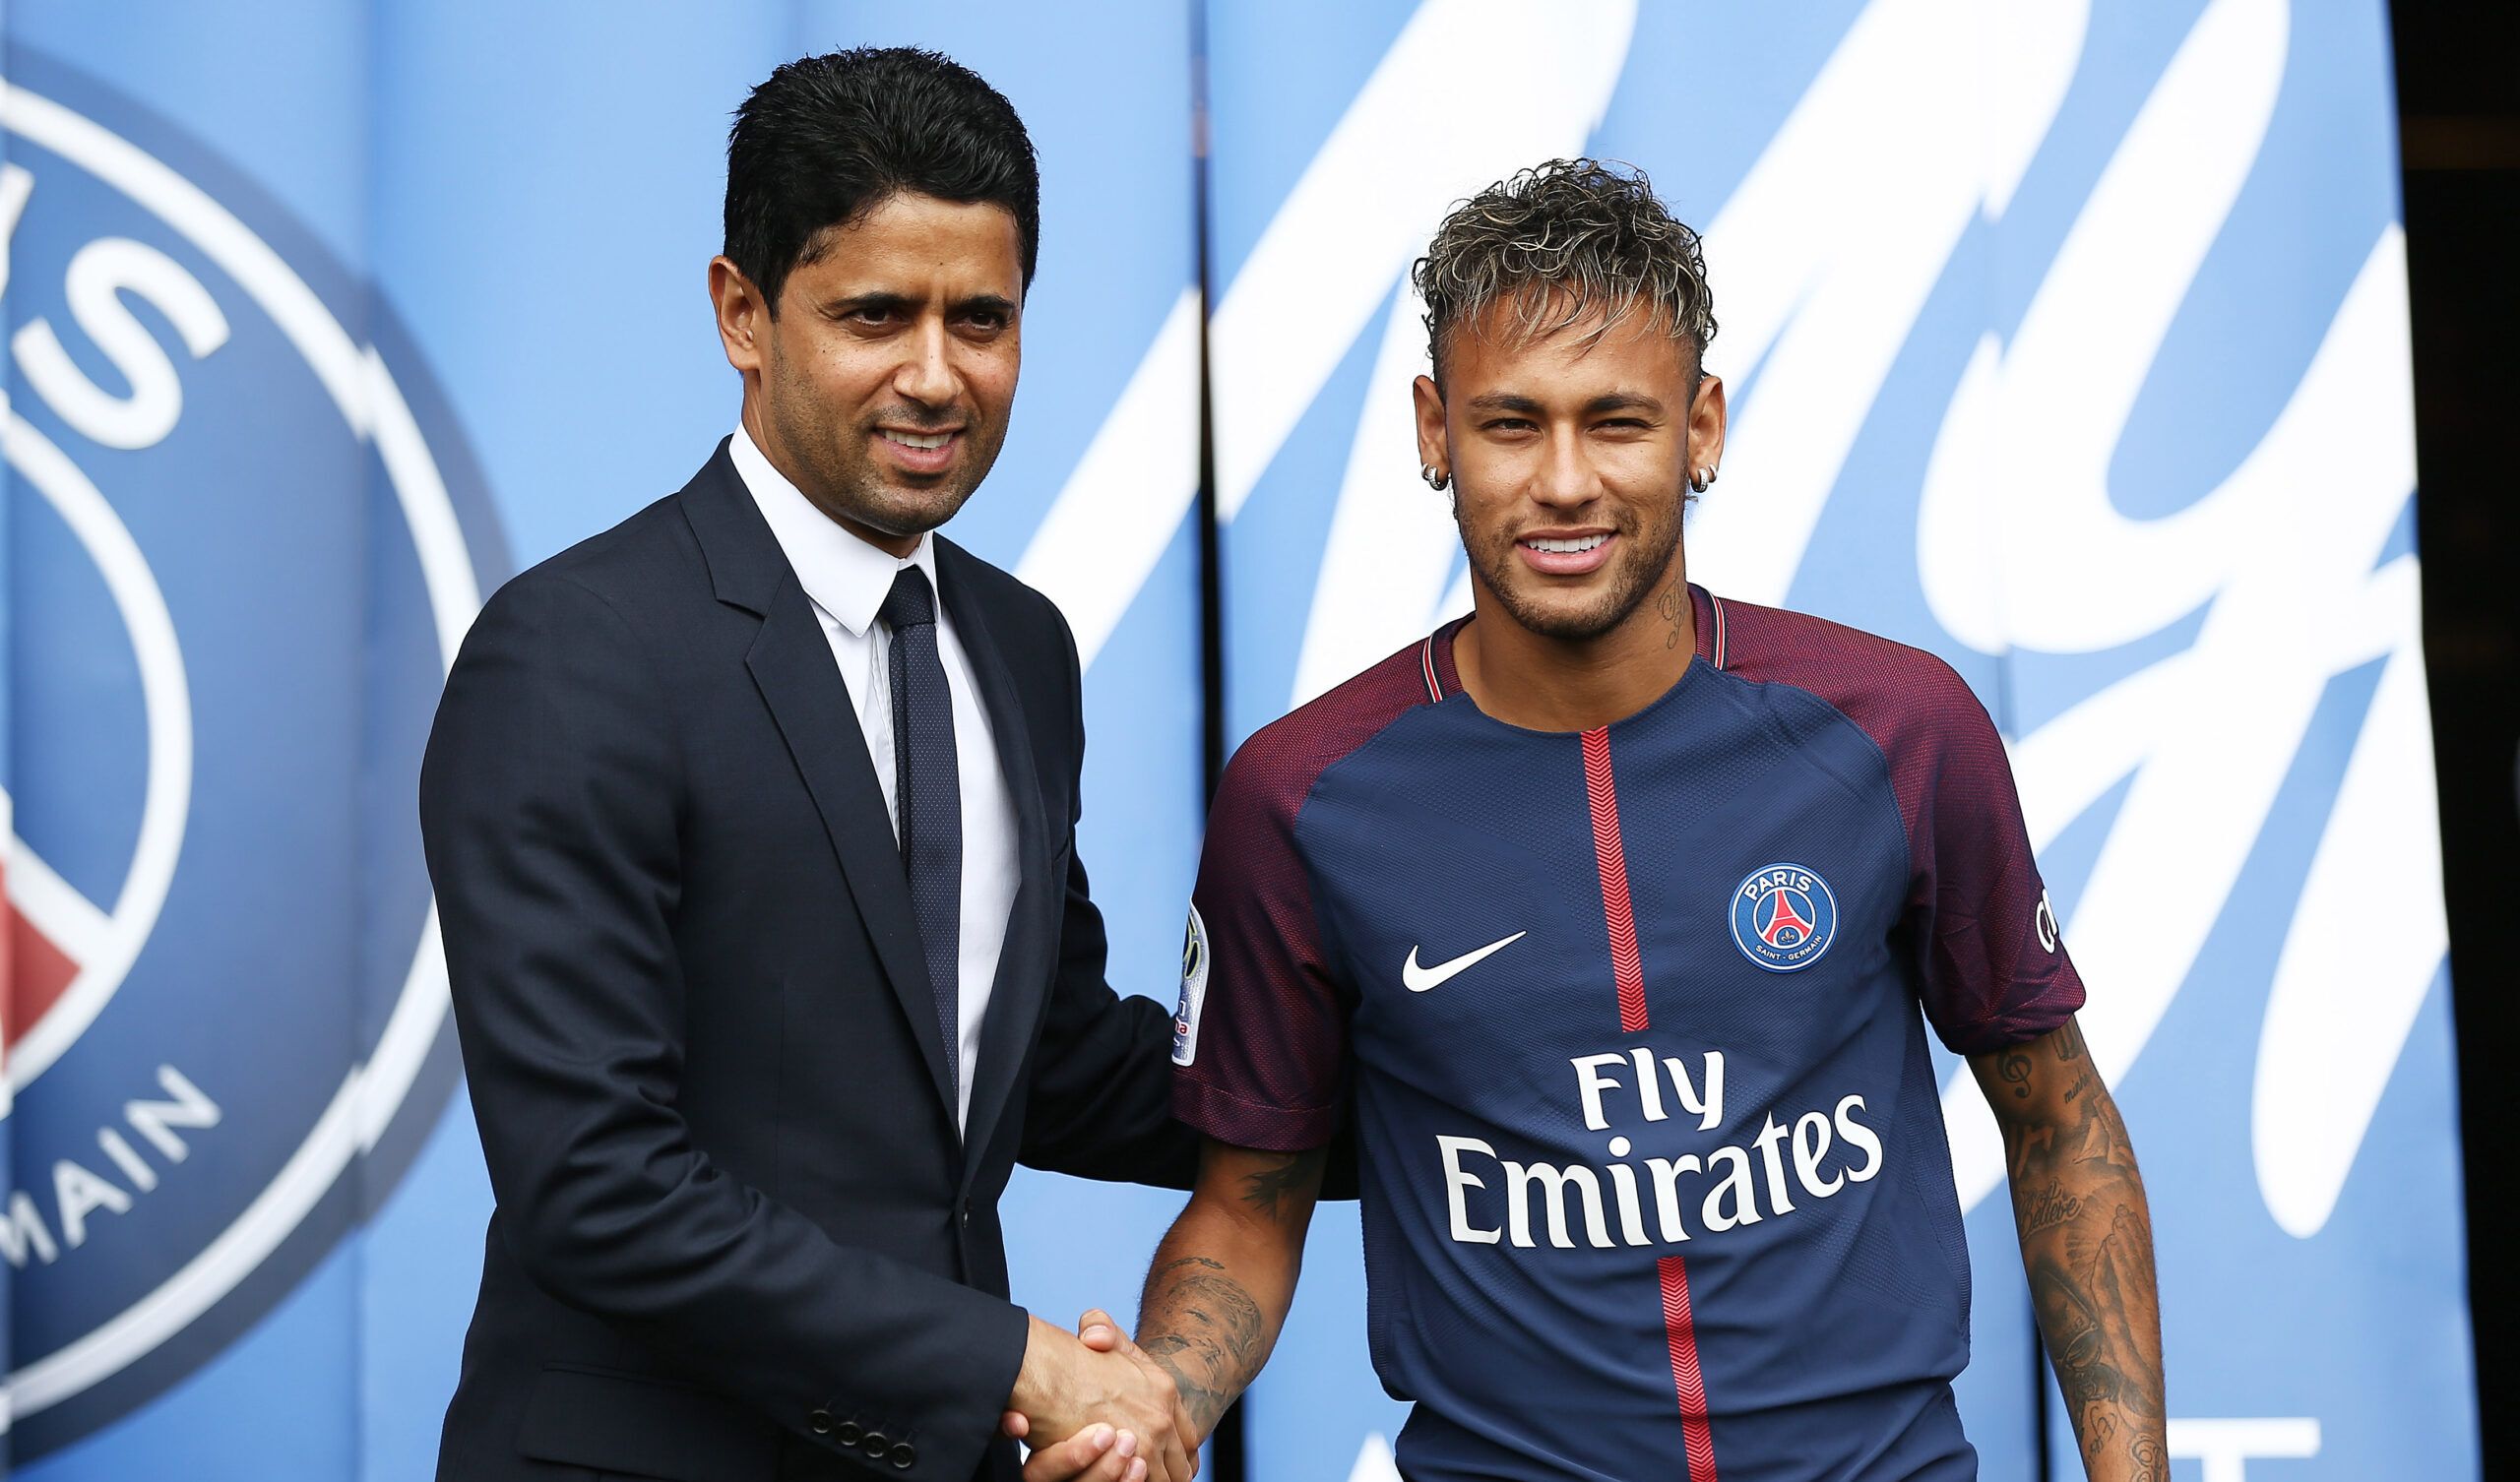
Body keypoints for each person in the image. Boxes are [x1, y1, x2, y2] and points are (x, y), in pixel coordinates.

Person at [1107, 159, 2168, 1481]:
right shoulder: (1302, 794)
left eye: (1616, 422)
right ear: (1434, 431)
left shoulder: (1900, 727)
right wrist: (1157, 1403)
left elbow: (2060, 1121)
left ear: (1701, 428)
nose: (1564, 481)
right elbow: (1247, 1206)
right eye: (1511, 424)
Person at [421, 48, 1196, 1482]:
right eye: (874, 315)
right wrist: (1009, 1361)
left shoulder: (1021, 645)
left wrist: (1426, 1090)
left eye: (981, 319)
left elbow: (1055, 1063)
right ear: (742, 313)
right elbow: (594, 1182)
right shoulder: (577, 650)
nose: (936, 376)